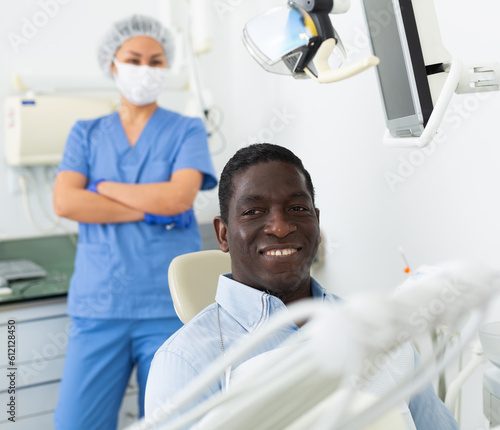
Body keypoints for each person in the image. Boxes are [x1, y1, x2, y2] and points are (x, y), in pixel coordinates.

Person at [145, 143, 458, 429]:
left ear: (317, 224)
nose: (281, 227)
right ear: (223, 234)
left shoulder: (381, 332)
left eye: (297, 209)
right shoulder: (186, 362)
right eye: (254, 212)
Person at [52, 14, 217, 430]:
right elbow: (66, 202)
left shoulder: (186, 130)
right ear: (112, 63)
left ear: (166, 68)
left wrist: (104, 186)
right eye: (134, 58)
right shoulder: (86, 133)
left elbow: (178, 197)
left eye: (156, 61)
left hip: (167, 306)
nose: (145, 69)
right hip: (99, 306)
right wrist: (152, 204)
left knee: (172, 424)